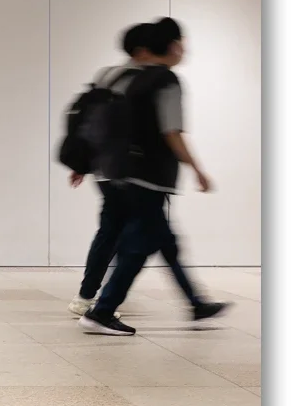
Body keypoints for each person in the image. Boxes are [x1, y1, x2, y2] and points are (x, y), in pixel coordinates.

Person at [80, 18, 228, 336]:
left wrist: (85, 162)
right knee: (138, 246)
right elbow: (171, 131)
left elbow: (94, 121)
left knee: (160, 240)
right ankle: (101, 311)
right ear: (172, 46)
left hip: (113, 173)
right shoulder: (166, 81)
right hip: (148, 176)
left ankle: (197, 304)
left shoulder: (118, 76)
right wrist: (197, 169)